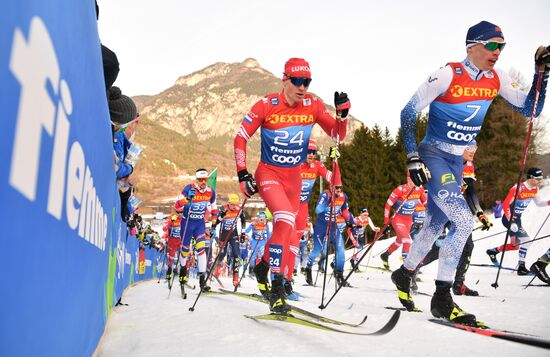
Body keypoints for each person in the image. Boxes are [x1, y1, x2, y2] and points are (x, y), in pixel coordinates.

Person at [391, 21, 549, 326]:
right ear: (471, 47)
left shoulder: (497, 78)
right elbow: (409, 111)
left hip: (456, 162)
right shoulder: (447, 73)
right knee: (463, 220)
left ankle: (404, 272)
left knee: (435, 224)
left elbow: (531, 110)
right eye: (491, 45)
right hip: (434, 155)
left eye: (502, 46)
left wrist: (541, 74)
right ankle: (442, 298)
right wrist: (412, 157)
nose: (498, 52)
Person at [233, 57, 350, 313]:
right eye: (297, 81)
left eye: (307, 82)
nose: (302, 87)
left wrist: (342, 116)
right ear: (284, 80)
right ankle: (276, 288)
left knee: (289, 232)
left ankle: (264, 265)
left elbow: (337, 135)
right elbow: (241, 137)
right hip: (269, 173)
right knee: (284, 219)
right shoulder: (267, 105)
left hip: (293, 178)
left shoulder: (313, 105)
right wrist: (242, 173)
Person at [411, 141, 492, 296]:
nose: (473, 151)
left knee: (467, 246)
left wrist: (480, 213)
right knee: (436, 246)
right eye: (469, 148)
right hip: (440, 205)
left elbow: (470, 191)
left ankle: (459, 283)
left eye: (475, 148)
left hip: (456, 208)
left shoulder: (468, 166)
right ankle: (411, 271)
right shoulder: (444, 161)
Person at [486, 168, 550, 274]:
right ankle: (521, 268)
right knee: (527, 241)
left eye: (541, 179)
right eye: (538, 179)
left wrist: (549, 202)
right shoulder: (518, 188)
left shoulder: (535, 189)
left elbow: (539, 203)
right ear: (531, 178)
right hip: (509, 219)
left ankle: (493, 251)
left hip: (517, 220)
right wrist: (511, 221)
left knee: (515, 245)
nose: (540, 181)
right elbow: (506, 205)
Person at [305, 166, 353, 288]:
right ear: (331, 186)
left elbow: (345, 211)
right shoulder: (325, 195)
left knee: (341, 251)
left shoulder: (343, 196)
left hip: (334, 226)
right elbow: (318, 210)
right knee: (317, 249)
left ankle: (339, 275)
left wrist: (349, 220)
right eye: (336, 188)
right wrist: (328, 201)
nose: (339, 191)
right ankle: (308, 269)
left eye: (340, 188)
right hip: (321, 226)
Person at [174, 169, 218, 293]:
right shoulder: (188, 188)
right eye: (200, 180)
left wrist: (214, 224)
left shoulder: (210, 192)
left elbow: (214, 209)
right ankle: (183, 271)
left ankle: (202, 281)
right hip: (187, 224)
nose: (203, 182)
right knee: (185, 250)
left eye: (205, 179)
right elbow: (177, 206)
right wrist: (187, 199)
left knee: (201, 250)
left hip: (199, 224)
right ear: (196, 180)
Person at [380, 175, 427, 270]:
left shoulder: (419, 189)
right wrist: (385, 223)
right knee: (407, 241)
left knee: (400, 240)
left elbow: (426, 204)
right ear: (408, 179)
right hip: (398, 219)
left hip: (409, 220)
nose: (416, 182)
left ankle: (386, 254)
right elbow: (388, 205)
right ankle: (406, 270)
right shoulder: (400, 189)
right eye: (413, 180)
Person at [213, 194, 246, 287]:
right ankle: (216, 271)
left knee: (237, 255)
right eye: (232, 204)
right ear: (229, 203)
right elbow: (216, 222)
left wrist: (243, 233)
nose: (234, 206)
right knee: (222, 254)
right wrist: (221, 216)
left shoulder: (239, 209)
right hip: (223, 235)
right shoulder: (223, 209)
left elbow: (243, 221)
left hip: (233, 235)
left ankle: (235, 278)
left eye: (236, 204)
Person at [244, 212, 271, 287]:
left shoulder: (266, 225)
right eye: (260, 218)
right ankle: (251, 270)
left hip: (262, 242)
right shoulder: (254, 224)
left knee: (263, 256)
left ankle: (262, 271)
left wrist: (268, 242)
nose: (261, 220)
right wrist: (251, 226)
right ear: (258, 218)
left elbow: (268, 234)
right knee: (253, 257)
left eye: (263, 219)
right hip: (254, 242)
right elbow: (246, 232)